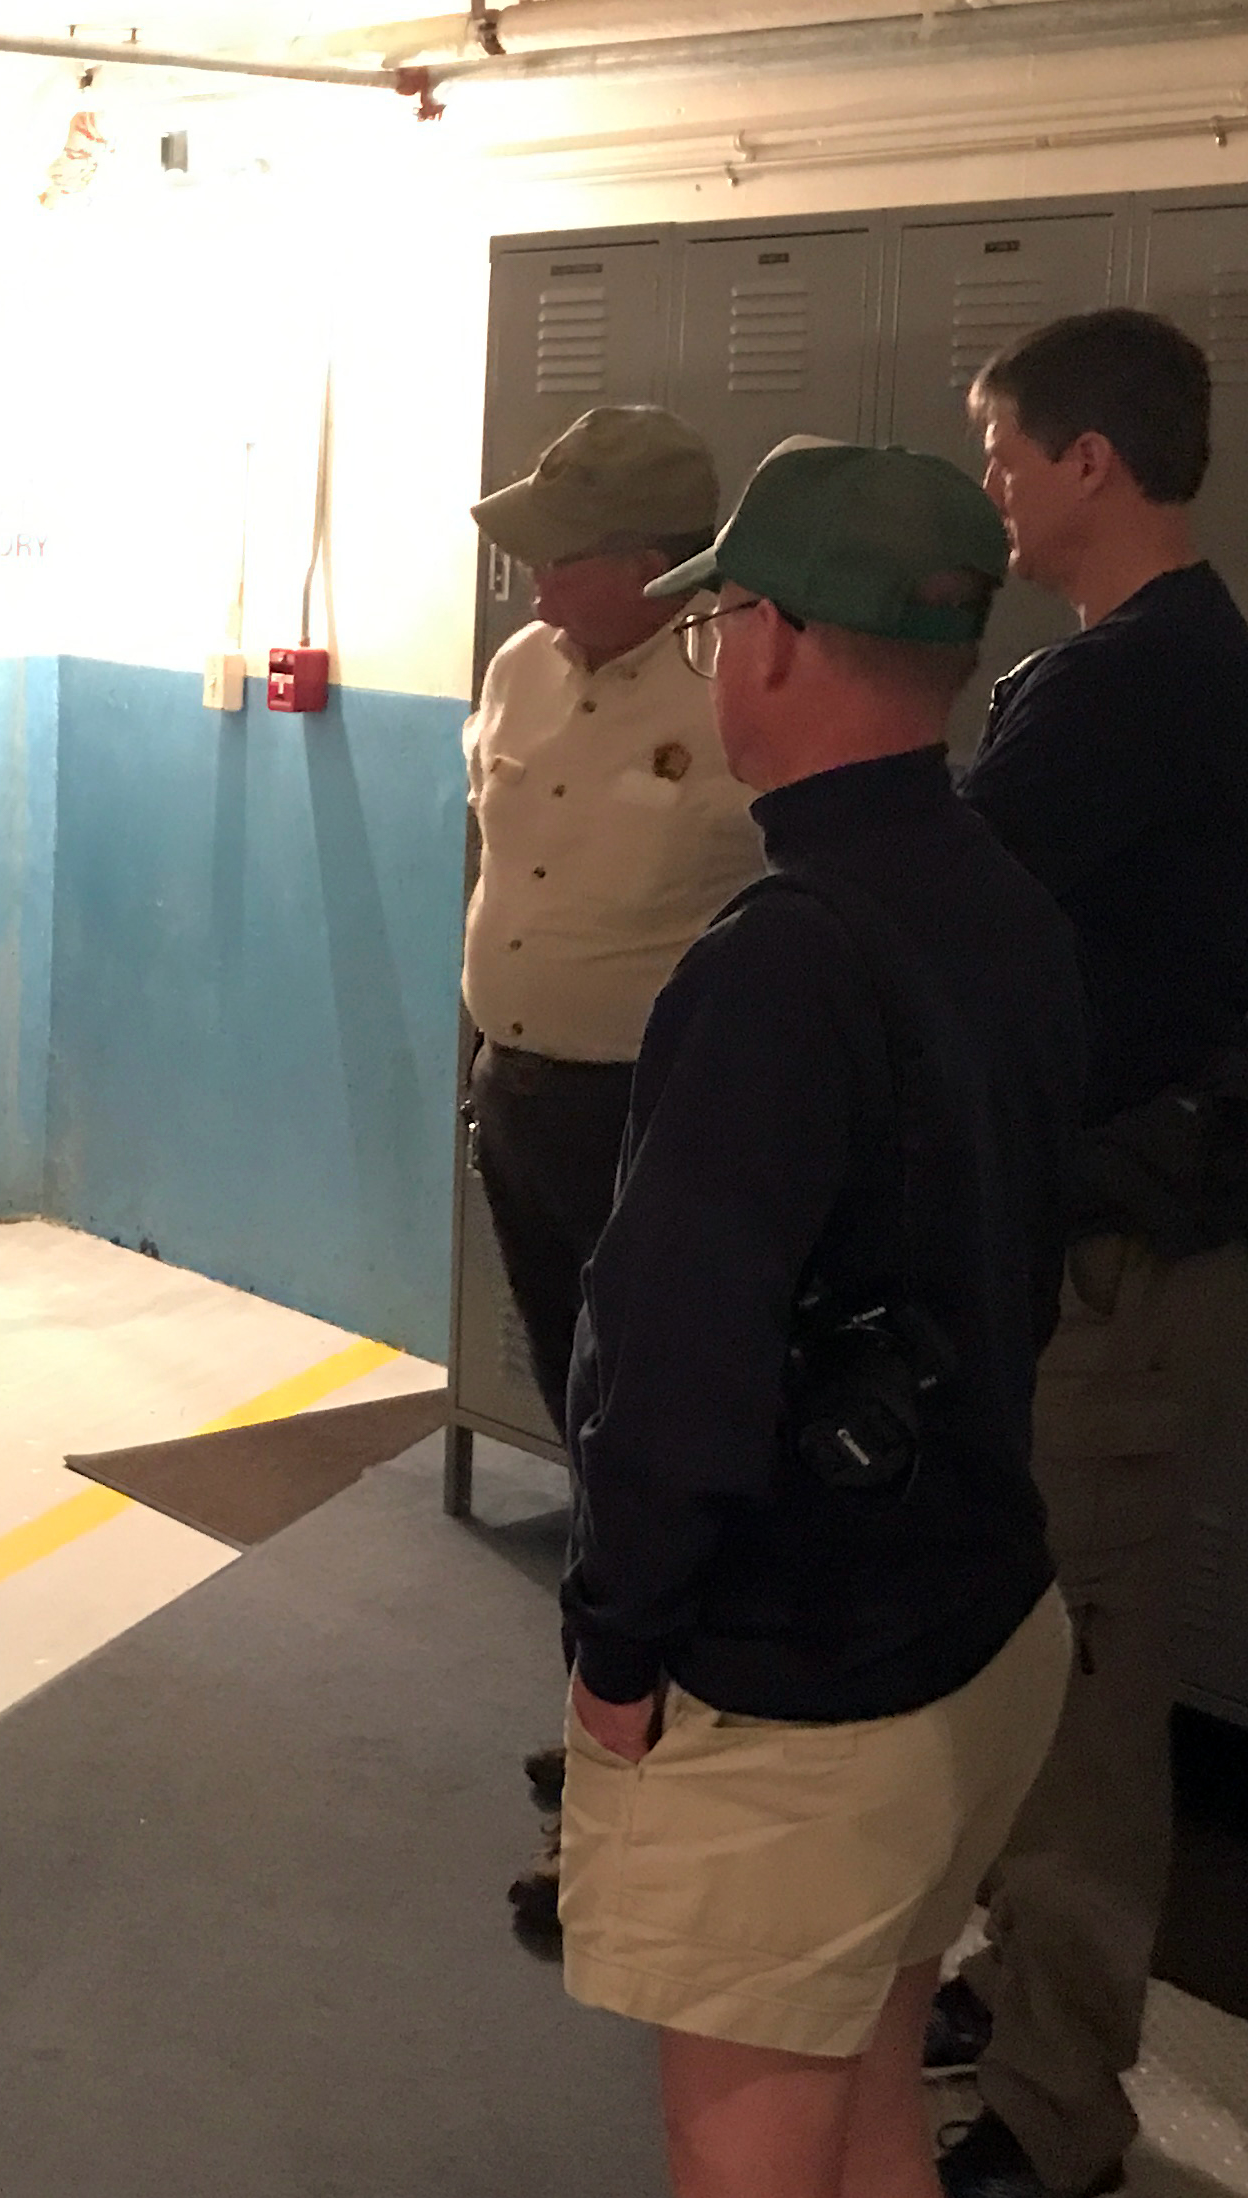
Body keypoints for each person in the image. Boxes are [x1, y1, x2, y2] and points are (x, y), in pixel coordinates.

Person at [551, 440, 1086, 2198]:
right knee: (867, 2075)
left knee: (747, 2181)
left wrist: (620, 1635)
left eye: (718, 617)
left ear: (768, 638)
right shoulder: (996, 900)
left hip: (801, 1678)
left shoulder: (778, 961)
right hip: (981, 1622)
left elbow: (667, 1371)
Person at [934, 307, 1248, 2198]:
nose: (990, 482)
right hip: (1059, 1245)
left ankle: (1058, 2109)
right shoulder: (1127, 665)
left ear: (1092, 461)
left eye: (1004, 449)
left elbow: (953, 902)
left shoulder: (1133, 685)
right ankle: (1011, 1993)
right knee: (1023, 1654)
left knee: (1080, 1685)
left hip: (1111, 1270)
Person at [461, 406, 769, 1945]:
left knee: (656, 1445)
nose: (530, 586)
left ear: (658, 569)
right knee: (584, 1437)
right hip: (520, 1098)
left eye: (561, 557)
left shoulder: (739, 694)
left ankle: (651, 1781)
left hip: (656, 1123)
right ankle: (609, 1707)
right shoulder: (524, 672)